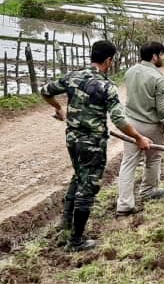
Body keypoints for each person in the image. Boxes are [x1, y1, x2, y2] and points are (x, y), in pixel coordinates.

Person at [41, 40, 153, 251]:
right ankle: (76, 241)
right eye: (112, 60)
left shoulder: (72, 76)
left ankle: (65, 223)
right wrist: (139, 138)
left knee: (78, 176)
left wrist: (59, 109)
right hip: (92, 143)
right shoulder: (106, 86)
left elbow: (45, 90)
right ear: (108, 60)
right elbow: (119, 120)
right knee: (88, 187)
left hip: (72, 139)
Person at [116, 42, 164, 217]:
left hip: (130, 124)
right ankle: (147, 191)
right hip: (151, 126)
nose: (162, 58)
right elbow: (161, 110)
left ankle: (124, 204)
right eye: (161, 55)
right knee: (153, 159)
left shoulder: (130, 71)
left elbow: (144, 90)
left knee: (128, 162)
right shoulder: (157, 78)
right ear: (154, 56)